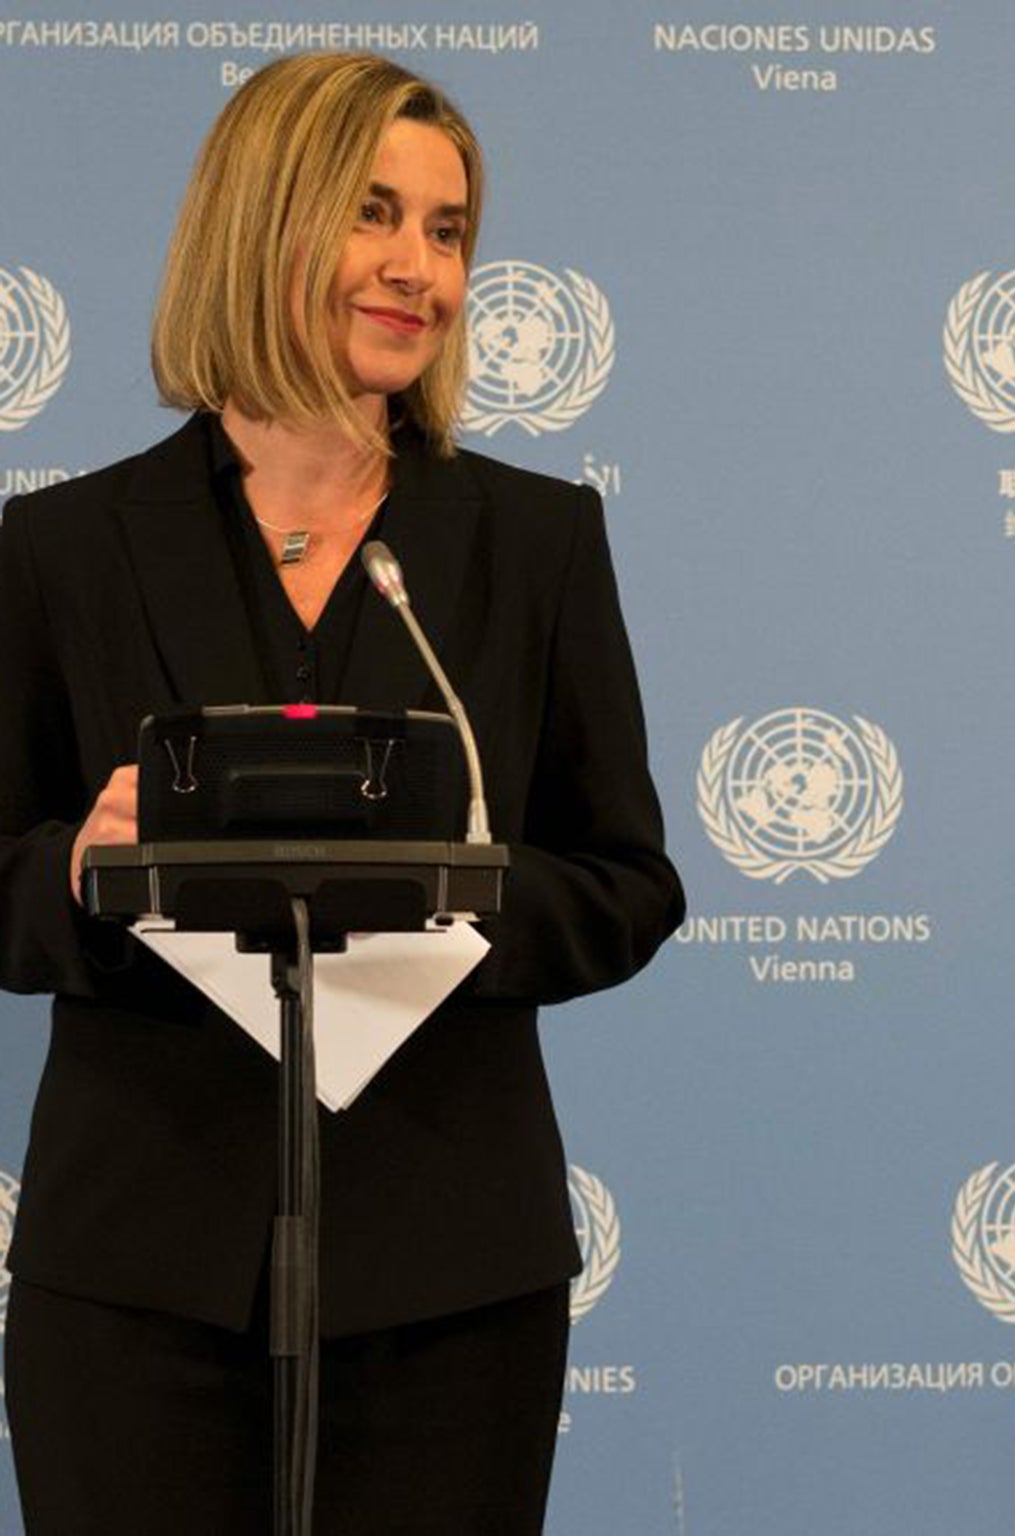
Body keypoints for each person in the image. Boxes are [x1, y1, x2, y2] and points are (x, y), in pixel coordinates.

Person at [0, 53, 684, 1533]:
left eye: (447, 231)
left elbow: (631, 882)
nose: (416, 268)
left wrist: (455, 888)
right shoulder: (63, 548)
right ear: (262, 220)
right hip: (137, 1278)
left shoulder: (535, 542)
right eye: (373, 214)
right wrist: (82, 870)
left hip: (450, 1282)